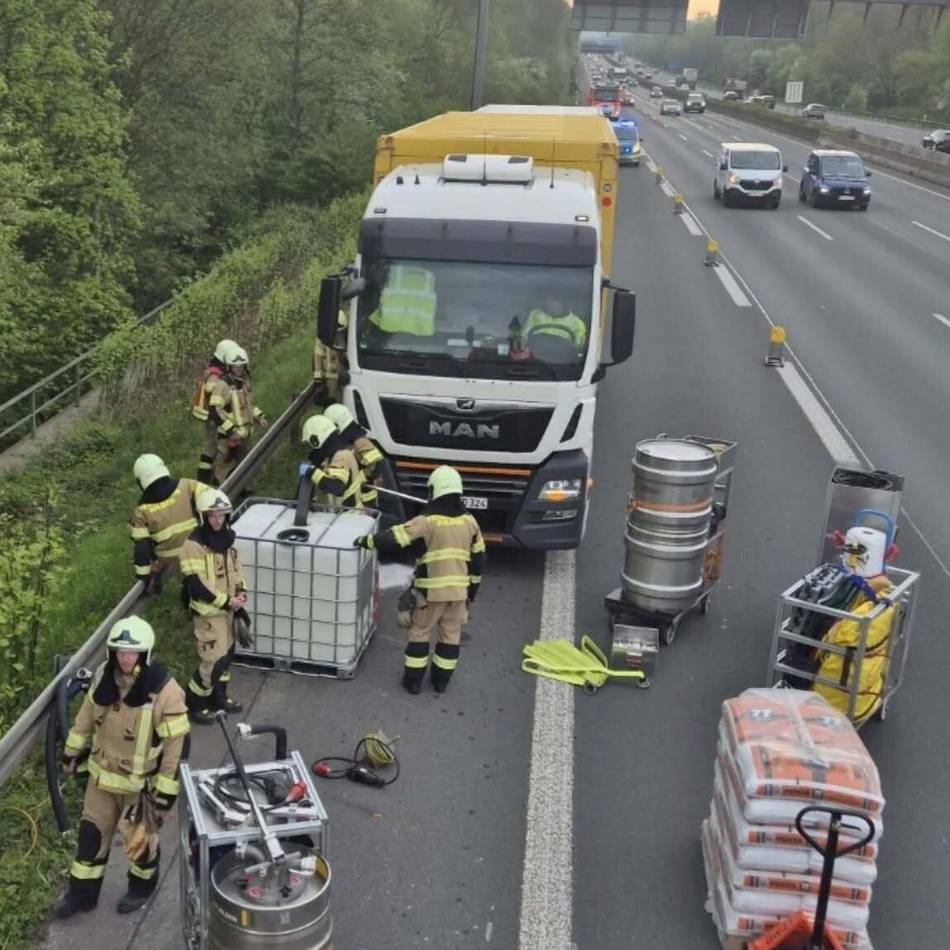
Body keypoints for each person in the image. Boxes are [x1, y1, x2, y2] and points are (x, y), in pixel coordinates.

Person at [55, 617, 189, 918]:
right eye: (120, 652)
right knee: (90, 838)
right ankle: (82, 895)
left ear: (145, 653)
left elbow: (176, 746)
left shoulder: (165, 691)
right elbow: (86, 717)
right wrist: (71, 752)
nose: (125, 659)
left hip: (138, 789)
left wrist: (165, 792)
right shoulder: (104, 675)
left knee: (139, 844)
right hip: (101, 782)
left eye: (132, 653)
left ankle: (141, 888)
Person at [354, 465, 485, 694]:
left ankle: (413, 682)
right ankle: (441, 682)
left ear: (436, 490)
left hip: (430, 593)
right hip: (458, 594)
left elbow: (394, 537)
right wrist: (471, 592)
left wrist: (365, 542)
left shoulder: (427, 521)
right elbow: (479, 559)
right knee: (451, 635)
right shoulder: (470, 522)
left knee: (420, 632)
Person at [179, 488, 248, 724]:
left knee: (227, 656)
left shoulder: (228, 539)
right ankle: (196, 703)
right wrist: (226, 602)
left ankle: (220, 697)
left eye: (222, 515)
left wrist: (241, 595)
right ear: (203, 517)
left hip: (228, 610)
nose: (218, 520)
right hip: (209, 614)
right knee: (213, 661)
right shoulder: (194, 545)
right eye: (213, 516)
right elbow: (196, 583)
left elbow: (236, 571)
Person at [129, 454, 208, 593]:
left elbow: (141, 547)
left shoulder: (141, 510)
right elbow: (214, 499)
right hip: (197, 548)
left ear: (140, 480)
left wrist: (144, 576)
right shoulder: (187, 485)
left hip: (168, 559)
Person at [193, 339, 268, 485]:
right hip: (223, 426)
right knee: (219, 457)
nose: (239, 369)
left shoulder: (242, 382)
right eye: (235, 366)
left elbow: (247, 405)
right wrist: (230, 429)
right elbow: (215, 406)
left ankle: (240, 486)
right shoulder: (221, 381)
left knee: (240, 460)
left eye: (241, 366)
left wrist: (259, 416)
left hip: (241, 430)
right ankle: (208, 483)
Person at [322, 403, 382, 508]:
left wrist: (358, 477)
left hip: (365, 503)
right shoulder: (349, 440)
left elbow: (375, 468)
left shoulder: (360, 443)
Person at [299, 415, 364, 509]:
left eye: (310, 444)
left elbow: (337, 487)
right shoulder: (332, 457)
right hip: (339, 518)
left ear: (316, 440)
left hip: (349, 518)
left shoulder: (342, 455)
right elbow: (327, 489)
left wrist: (312, 472)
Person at [313, 309, 348, 409]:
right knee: (331, 402)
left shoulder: (349, 337)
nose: (337, 336)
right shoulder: (322, 339)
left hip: (345, 374)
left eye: (340, 332)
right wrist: (318, 380)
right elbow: (317, 359)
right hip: (330, 377)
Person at [524, 295, 588, 348]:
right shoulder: (535, 315)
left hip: (563, 361)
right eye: (548, 299)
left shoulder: (577, 324)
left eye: (554, 300)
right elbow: (523, 338)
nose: (548, 303)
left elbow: (577, 350)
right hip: (533, 359)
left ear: (564, 302)